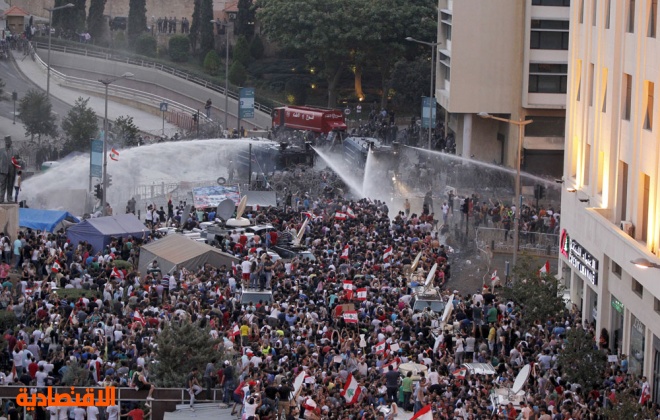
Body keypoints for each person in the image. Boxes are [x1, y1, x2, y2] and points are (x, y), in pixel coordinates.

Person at [0, 136, 18, 203]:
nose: (7, 143)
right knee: (2, 185)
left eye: (8, 142)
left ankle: (9, 198)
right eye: (6, 142)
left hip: (11, 170)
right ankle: (1, 199)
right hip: (3, 170)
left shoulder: (15, 151)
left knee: (10, 185)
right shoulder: (1, 150)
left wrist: (17, 161)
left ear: (11, 142)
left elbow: (18, 160)